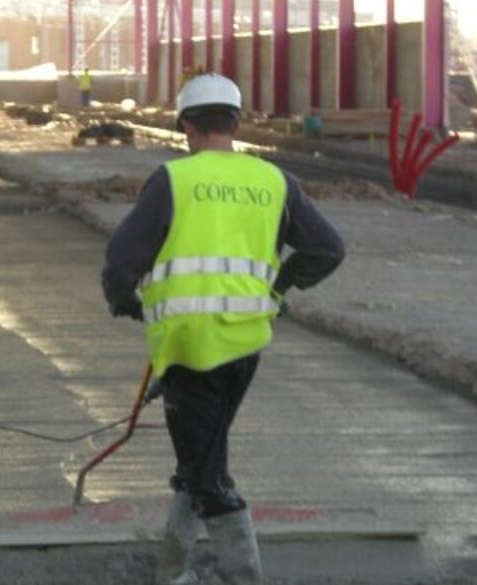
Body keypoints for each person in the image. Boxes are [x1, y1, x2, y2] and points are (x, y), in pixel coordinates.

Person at [102, 73, 344, 585]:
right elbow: (328, 248)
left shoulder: (174, 179)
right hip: (246, 342)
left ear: (186, 124)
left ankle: (243, 573)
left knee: (208, 470)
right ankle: (172, 568)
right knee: (202, 452)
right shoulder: (274, 182)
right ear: (236, 122)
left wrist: (124, 300)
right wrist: (276, 291)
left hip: (189, 345)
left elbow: (122, 258)